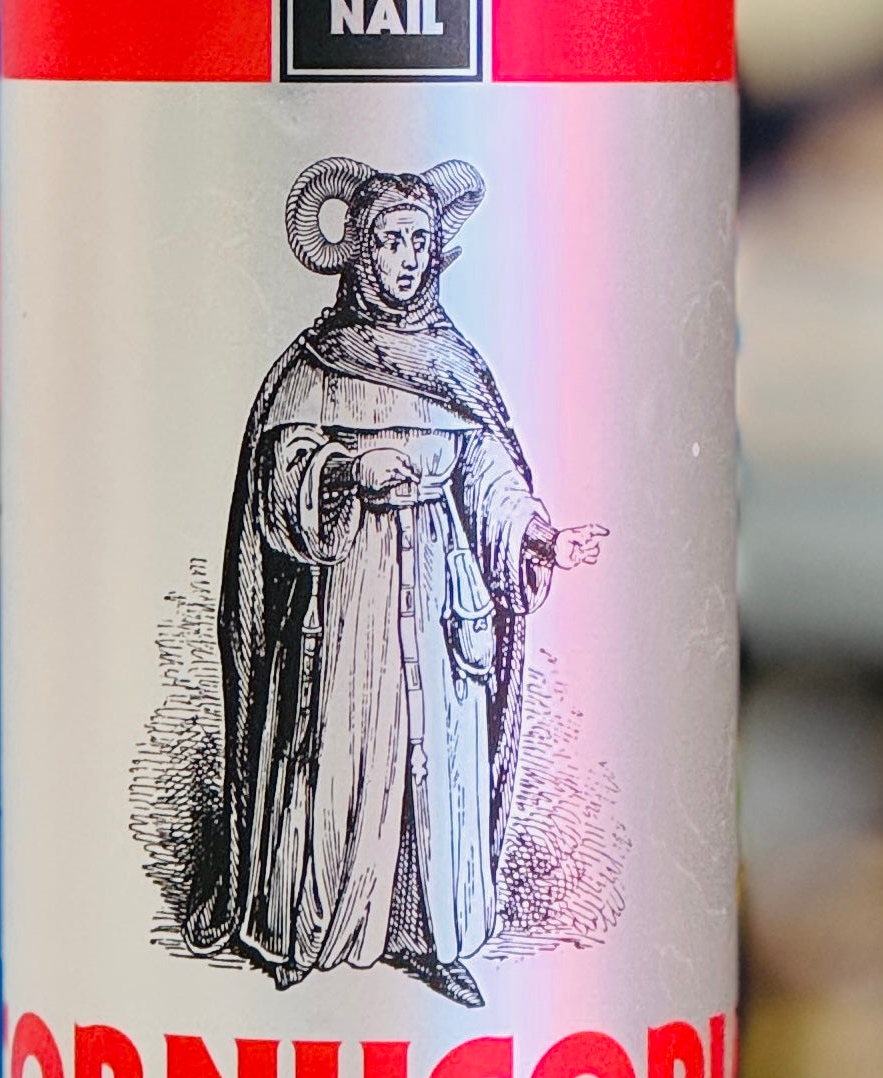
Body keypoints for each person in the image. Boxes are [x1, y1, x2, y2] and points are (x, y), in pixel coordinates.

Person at [197, 157, 604, 1007]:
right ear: (356, 253)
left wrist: (531, 530)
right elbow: (281, 473)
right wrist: (347, 468)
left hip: (439, 590)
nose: (407, 258)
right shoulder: (314, 364)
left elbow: (487, 471)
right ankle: (304, 926)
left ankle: (435, 936)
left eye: (420, 241)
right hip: (344, 594)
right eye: (388, 240)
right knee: (333, 748)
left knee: (437, 759)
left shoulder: (456, 363)